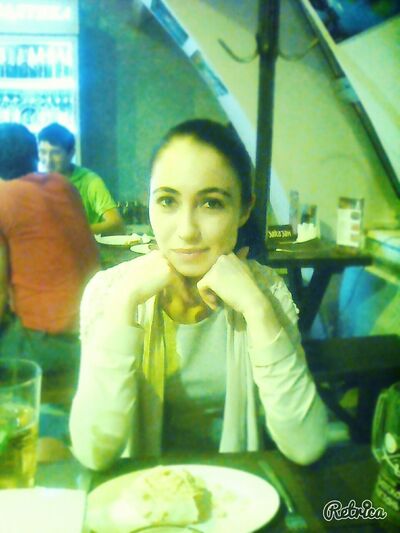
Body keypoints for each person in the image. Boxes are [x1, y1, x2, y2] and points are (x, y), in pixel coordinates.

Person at [70, 119, 328, 471]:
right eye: (167, 201)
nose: (187, 230)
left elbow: (306, 445)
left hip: (237, 490)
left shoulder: (266, 292)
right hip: (141, 493)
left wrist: (256, 308)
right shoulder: (109, 292)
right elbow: (93, 452)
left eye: (211, 203)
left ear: (244, 210)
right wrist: (123, 304)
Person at [0, 123, 100, 380]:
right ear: (35, 154)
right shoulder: (63, 184)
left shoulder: (3, 198)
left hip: (48, 344)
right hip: (98, 331)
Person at [38, 122, 124, 235]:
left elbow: (116, 224)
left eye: (56, 153)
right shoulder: (37, 183)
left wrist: (74, 231)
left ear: (71, 153)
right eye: (43, 152)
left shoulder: (89, 181)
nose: (48, 160)